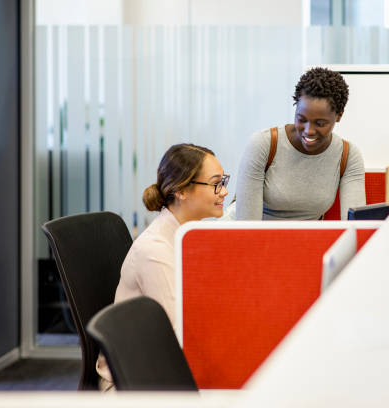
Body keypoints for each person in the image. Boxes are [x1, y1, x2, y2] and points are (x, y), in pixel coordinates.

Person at [96, 143, 229, 391]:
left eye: (223, 182)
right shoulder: (155, 250)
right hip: (133, 381)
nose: (223, 192)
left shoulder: (188, 235)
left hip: (161, 367)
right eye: (215, 183)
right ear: (182, 191)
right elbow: (178, 336)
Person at [235, 67, 365, 220]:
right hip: (261, 238)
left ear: (338, 116)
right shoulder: (263, 144)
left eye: (320, 123)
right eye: (301, 119)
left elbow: (355, 225)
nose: (308, 131)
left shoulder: (348, 155)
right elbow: (248, 226)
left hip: (308, 240)